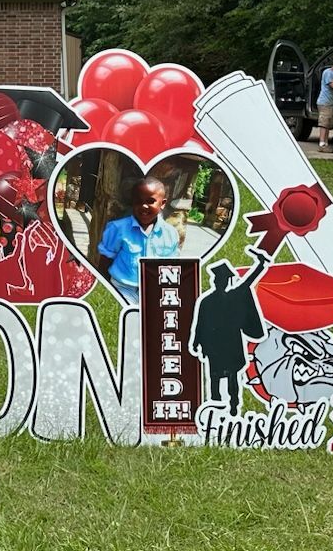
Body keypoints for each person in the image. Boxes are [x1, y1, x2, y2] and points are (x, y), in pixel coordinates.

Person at [191, 249, 270, 415]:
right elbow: (200, 323)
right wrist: (196, 341)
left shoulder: (233, 296)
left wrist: (260, 265)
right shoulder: (206, 301)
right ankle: (215, 405)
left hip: (231, 344)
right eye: (219, 279)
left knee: (232, 376)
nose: (221, 282)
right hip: (215, 346)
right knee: (215, 377)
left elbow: (248, 281)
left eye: (223, 280)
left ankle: (233, 405)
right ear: (215, 281)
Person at [96, 177, 179, 304]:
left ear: (162, 203)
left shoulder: (171, 233)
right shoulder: (117, 228)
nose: (144, 206)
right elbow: (105, 261)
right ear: (132, 203)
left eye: (151, 201)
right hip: (122, 289)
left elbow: (172, 267)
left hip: (155, 291)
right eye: (138, 202)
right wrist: (105, 290)